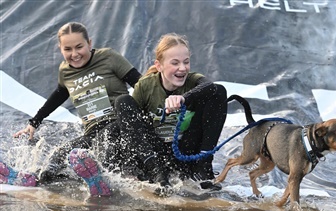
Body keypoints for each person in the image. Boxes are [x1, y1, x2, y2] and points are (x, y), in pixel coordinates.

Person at [9, 22, 145, 196]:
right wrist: (34, 122)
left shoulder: (109, 57)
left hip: (117, 124)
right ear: (60, 49)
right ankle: (35, 180)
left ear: (89, 43)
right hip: (91, 130)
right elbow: (59, 95)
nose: (75, 54)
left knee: (105, 144)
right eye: (68, 49)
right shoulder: (65, 71)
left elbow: (141, 84)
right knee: (59, 155)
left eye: (79, 47)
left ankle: (103, 184)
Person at [106, 33, 227, 190]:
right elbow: (131, 127)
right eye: (175, 63)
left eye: (186, 62)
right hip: (156, 155)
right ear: (159, 66)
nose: (182, 68)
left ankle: (203, 167)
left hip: (185, 153)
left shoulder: (193, 81)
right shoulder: (146, 86)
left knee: (219, 91)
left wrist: (184, 98)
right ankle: (156, 172)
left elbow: (210, 87)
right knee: (122, 103)